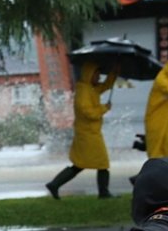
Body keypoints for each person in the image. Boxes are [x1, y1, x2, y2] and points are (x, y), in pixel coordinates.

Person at [46, 61, 119, 199]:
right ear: (89, 74)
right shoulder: (83, 91)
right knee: (101, 162)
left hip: (90, 133)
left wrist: (114, 73)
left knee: (80, 165)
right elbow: (89, 113)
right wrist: (104, 108)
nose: (98, 77)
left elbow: (106, 86)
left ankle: (55, 184)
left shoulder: (90, 88)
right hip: (87, 134)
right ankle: (103, 193)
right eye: (96, 74)